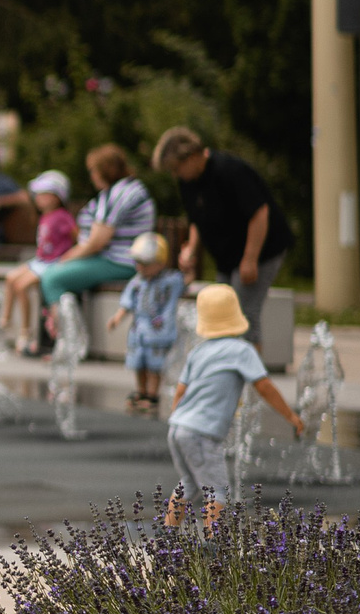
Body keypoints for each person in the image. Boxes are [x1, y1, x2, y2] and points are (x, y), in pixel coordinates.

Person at [163, 283, 304, 528]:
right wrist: (291, 416)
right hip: (201, 433)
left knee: (188, 482)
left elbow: (181, 390)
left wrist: (178, 417)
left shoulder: (198, 351)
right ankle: (212, 548)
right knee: (217, 491)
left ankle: (167, 535)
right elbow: (264, 387)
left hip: (178, 428)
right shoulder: (242, 351)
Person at [153, 127, 293, 351]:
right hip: (227, 256)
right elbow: (197, 219)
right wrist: (190, 250)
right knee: (220, 314)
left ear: (192, 156)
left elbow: (259, 213)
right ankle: (226, 374)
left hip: (262, 250)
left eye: (177, 168)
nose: (175, 175)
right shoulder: (187, 182)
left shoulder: (229, 171)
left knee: (243, 316)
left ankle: (251, 378)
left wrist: (250, 258)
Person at [38, 143, 156, 318]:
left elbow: (97, 242)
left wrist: (67, 257)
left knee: (52, 278)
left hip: (119, 261)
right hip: (111, 259)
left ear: (105, 170)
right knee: (50, 273)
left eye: (93, 170)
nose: (92, 176)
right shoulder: (121, 190)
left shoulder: (119, 193)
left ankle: (67, 336)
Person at [0, 171, 76, 353]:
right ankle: (6, 320)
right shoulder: (45, 216)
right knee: (11, 278)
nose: (39, 199)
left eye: (44, 195)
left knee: (21, 286)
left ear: (57, 197)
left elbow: (77, 236)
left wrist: (70, 256)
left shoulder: (62, 217)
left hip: (52, 262)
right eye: (38, 195)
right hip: (41, 260)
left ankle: (25, 331)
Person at [108, 232, 184, 415]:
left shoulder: (170, 281)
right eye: (138, 262)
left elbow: (183, 282)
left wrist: (186, 264)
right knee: (138, 362)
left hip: (158, 331)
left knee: (154, 364)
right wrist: (118, 317)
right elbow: (127, 302)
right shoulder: (136, 282)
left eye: (145, 263)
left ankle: (152, 394)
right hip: (139, 330)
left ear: (160, 263)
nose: (140, 267)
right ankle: (141, 391)